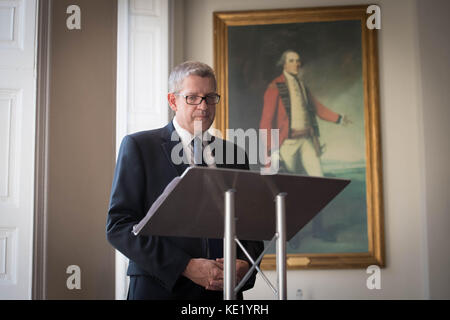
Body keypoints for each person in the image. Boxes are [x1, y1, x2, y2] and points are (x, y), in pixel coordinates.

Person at [106, 61, 264, 300]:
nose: (204, 106)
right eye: (193, 97)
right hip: (159, 290)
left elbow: (251, 229)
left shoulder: (235, 155)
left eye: (210, 97)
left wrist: (245, 266)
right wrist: (186, 266)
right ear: (173, 101)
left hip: (222, 296)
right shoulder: (139, 147)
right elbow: (119, 227)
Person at [260, 50, 351, 242]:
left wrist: (339, 118)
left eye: (298, 61)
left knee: (319, 182)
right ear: (284, 64)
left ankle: (319, 229)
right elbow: (266, 121)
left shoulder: (302, 85)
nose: (296, 64)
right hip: (286, 143)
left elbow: (318, 108)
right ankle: (288, 234)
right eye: (292, 61)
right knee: (287, 189)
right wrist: (272, 150)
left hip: (306, 141)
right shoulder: (274, 87)